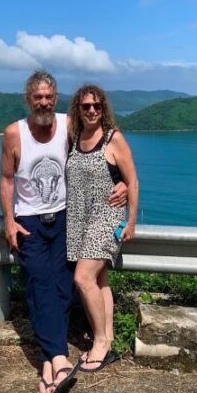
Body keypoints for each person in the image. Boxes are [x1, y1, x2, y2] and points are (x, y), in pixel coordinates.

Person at [0, 70, 126, 393]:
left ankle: (47, 364)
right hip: (31, 222)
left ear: (56, 99)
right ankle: (58, 357)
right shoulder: (15, 133)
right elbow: (7, 179)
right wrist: (9, 221)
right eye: (37, 97)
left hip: (67, 219)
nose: (43, 102)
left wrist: (122, 181)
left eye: (49, 97)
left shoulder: (68, 127)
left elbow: (97, 154)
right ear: (28, 99)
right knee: (40, 284)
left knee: (60, 286)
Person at [66, 84, 139, 373]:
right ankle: (107, 338)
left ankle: (99, 342)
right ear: (78, 109)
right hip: (79, 219)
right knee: (100, 281)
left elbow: (132, 180)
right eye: (86, 106)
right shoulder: (73, 137)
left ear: (103, 107)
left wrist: (131, 220)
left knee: (82, 278)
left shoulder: (113, 138)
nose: (92, 110)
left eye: (97, 105)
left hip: (107, 217)